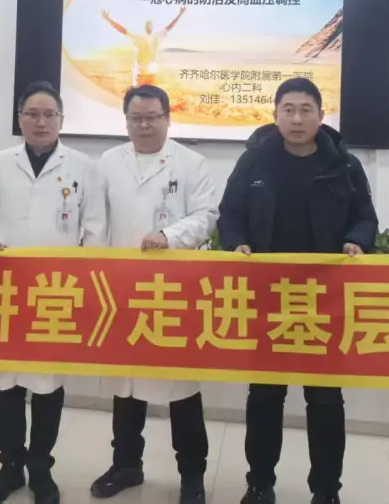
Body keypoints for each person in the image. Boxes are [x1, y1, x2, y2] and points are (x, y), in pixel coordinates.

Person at [217, 77, 379, 504]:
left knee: (324, 400)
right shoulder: (254, 162)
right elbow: (229, 215)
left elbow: (365, 217)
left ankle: (326, 490)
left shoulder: (344, 165)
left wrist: (357, 241)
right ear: (275, 115)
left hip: (325, 300)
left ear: (321, 116)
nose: (296, 118)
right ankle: (259, 484)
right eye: (288, 109)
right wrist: (236, 243)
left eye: (306, 110)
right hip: (266, 298)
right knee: (264, 396)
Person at [0, 81, 106, 504]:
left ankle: (41, 469)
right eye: (32, 114)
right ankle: (10, 466)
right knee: (7, 382)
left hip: (56, 292)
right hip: (7, 288)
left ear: (62, 120)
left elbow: (95, 228)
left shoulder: (83, 166)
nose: (41, 121)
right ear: (20, 119)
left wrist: (85, 280)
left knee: (47, 383)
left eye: (49, 114)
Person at [91, 84, 217, 504]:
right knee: (125, 384)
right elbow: (96, 220)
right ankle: (126, 463)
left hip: (172, 290)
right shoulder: (108, 162)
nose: (144, 126)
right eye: (136, 119)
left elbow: (206, 216)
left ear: (168, 118)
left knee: (180, 386)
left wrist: (169, 235)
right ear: (126, 121)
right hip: (121, 288)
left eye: (152, 118)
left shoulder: (192, 163)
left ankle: (192, 474)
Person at [101, 6, 186, 86]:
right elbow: (170, 27)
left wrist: (108, 19)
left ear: (145, 28)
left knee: (140, 92)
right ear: (151, 28)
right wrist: (180, 14)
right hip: (149, 74)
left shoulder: (140, 38)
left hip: (142, 74)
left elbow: (121, 29)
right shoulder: (156, 37)